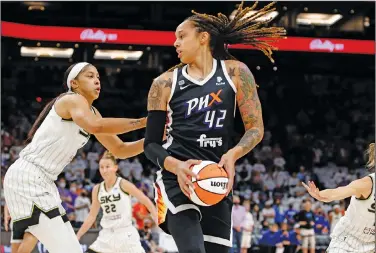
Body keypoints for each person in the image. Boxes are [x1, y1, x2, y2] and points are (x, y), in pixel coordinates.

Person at [143, 2, 286, 253]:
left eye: (181, 36)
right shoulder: (163, 84)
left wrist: (233, 154)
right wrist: (176, 167)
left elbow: (255, 128)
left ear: (203, 37)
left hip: (217, 178)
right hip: (177, 177)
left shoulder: (236, 73)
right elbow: (151, 145)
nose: (175, 43)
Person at [4, 62, 147, 253]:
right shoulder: (71, 100)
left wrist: (154, 138)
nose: (97, 80)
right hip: (29, 177)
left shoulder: (93, 113)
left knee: (34, 245)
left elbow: (119, 149)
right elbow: (96, 126)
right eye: (89, 76)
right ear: (74, 83)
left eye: (98, 76)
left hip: (41, 181)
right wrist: (146, 122)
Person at [76, 151, 157, 253]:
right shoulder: (97, 189)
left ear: (115, 167)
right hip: (106, 236)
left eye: (107, 166)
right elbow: (92, 216)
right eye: (101, 167)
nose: (104, 170)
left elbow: (145, 200)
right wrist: (78, 235)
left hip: (125, 235)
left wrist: (156, 216)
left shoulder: (123, 184)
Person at [303, 142, 375, 253]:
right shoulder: (367, 183)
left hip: (371, 245)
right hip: (348, 240)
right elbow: (337, 192)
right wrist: (320, 195)